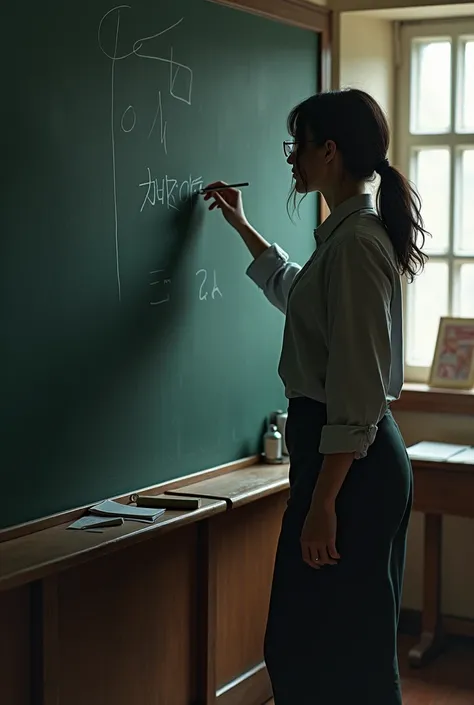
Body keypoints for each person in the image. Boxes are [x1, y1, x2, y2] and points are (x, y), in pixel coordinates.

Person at [203, 88, 428, 705]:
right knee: (315, 647)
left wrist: (323, 503)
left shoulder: (355, 244)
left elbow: (356, 387)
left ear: (328, 151)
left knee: (330, 652)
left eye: (296, 146)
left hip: (348, 467)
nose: (290, 159)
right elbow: (301, 296)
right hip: (343, 461)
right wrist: (243, 226)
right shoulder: (344, 238)